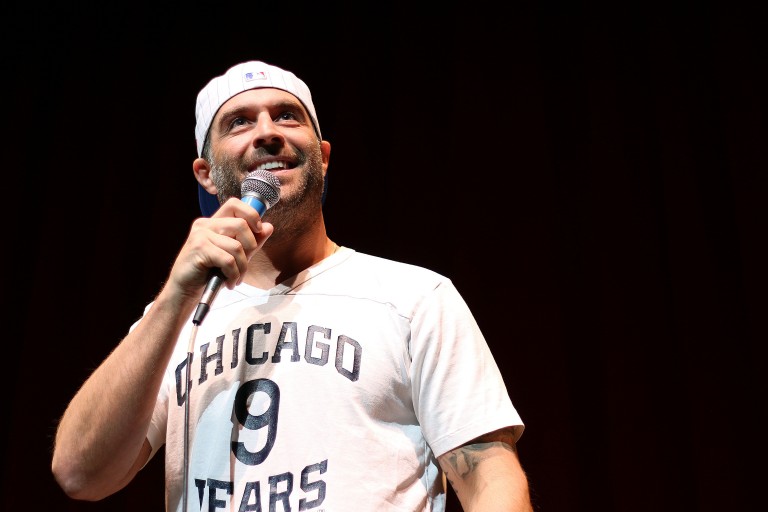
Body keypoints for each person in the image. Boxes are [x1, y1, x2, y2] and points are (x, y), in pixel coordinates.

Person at [51, 60, 534, 512]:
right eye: (239, 122)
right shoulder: (178, 320)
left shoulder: (413, 298)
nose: (267, 132)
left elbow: (487, 475)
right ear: (207, 175)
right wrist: (174, 297)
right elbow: (79, 474)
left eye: (286, 116)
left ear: (323, 158)